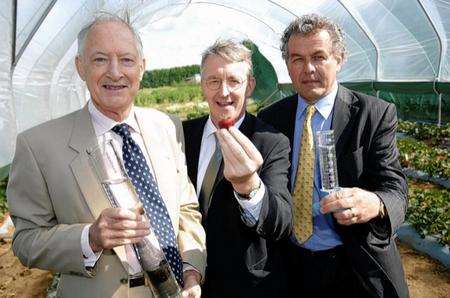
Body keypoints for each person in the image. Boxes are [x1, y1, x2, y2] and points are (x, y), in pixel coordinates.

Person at [7, 13, 206, 298]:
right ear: (80, 67)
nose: (115, 72)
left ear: (142, 67)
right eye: (100, 59)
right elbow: (25, 241)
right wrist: (90, 238)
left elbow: (186, 210)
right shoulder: (38, 146)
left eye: (126, 59)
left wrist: (191, 271)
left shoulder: (166, 126)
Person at [258, 14, 408, 298]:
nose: (308, 69)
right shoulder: (271, 119)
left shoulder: (373, 114)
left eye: (319, 56)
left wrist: (375, 203)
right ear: (288, 65)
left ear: (339, 59)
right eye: (297, 59)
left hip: (355, 262)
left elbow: (395, 189)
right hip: (291, 263)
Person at [182, 39, 292, 297]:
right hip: (186, 277)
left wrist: (249, 187)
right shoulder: (182, 135)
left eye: (234, 81)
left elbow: (281, 222)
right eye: (213, 81)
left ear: (250, 85)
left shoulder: (271, 141)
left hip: (245, 284)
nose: (223, 92)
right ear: (202, 86)